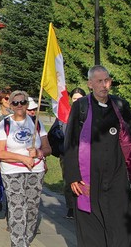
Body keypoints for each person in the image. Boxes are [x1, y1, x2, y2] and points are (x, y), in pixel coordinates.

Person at [64, 65, 131, 247]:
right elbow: (71, 143)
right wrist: (73, 176)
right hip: (89, 177)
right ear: (90, 84)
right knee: (92, 228)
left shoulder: (121, 105)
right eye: (99, 81)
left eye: (107, 81)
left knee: (125, 224)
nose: (104, 85)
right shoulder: (80, 107)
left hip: (116, 175)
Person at [0, 90, 51, 247]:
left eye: (22, 102)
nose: (19, 105)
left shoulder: (36, 123)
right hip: (12, 171)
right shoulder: (5, 124)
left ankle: (25, 239)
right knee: (17, 207)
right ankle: (19, 243)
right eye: (15, 102)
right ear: (11, 105)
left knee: (32, 208)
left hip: (35, 171)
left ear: (27, 105)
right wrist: (23, 158)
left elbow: (48, 148)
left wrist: (39, 152)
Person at [49, 87, 86, 220]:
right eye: (74, 99)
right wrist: (58, 135)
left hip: (84, 154)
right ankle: (71, 207)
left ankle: (83, 205)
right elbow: (53, 133)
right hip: (68, 153)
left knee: (84, 180)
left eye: (80, 98)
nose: (77, 101)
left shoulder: (89, 113)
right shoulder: (65, 114)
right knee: (69, 180)